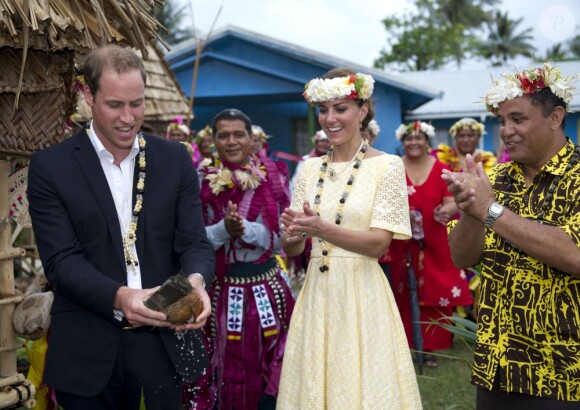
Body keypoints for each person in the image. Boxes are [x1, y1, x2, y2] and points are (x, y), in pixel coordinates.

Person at [27, 44, 215, 410]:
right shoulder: (51, 168)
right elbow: (62, 261)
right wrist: (120, 297)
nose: (128, 117)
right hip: (88, 349)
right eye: (115, 105)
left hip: (164, 343)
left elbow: (195, 242)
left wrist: (196, 282)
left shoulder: (174, 159)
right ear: (88, 96)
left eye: (137, 103)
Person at [277, 68, 422, 409]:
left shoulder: (387, 166)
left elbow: (379, 244)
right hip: (318, 292)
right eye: (323, 110)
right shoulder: (310, 169)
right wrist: (294, 233)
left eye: (340, 108)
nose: (329, 119)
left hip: (363, 291)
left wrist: (320, 229)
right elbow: (293, 246)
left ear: (362, 111)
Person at [442, 62, 580, 407]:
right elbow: (462, 257)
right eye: (502, 122)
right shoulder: (496, 179)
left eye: (518, 119)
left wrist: (491, 211)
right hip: (495, 368)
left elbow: (573, 255)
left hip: (562, 372)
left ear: (555, 117)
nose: (506, 131)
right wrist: (473, 213)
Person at [190, 109, 295, 409]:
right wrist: (225, 229)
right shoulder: (199, 179)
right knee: (220, 372)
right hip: (219, 291)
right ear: (213, 141)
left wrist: (245, 229)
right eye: (223, 135)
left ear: (252, 139)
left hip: (267, 288)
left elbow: (281, 241)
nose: (232, 141)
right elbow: (193, 240)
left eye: (239, 134)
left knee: (271, 371)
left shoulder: (274, 175)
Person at [388, 120, 472, 368]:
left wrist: (445, 211)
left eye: (419, 138)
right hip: (398, 241)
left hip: (434, 240)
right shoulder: (391, 168)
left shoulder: (442, 169)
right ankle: (401, 346)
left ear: (427, 142)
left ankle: (431, 348)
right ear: (402, 142)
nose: (413, 142)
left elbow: (453, 200)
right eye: (408, 139)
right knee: (399, 290)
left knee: (435, 291)